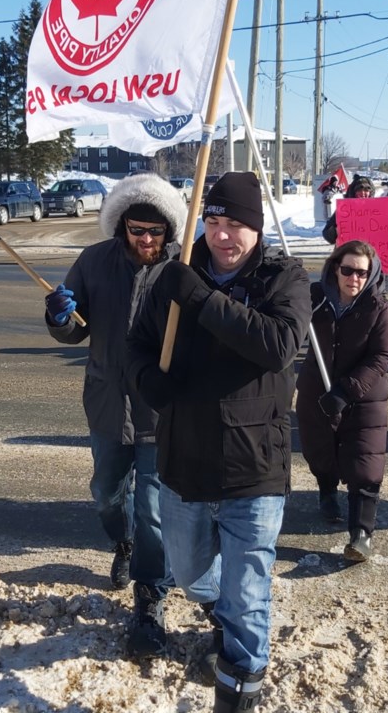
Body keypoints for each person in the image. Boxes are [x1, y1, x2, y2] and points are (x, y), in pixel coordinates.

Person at [126, 170, 311, 712]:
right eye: (213, 221)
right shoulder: (173, 278)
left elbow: (278, 345)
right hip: (184, 461)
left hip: (253, 469)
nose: (223, 235)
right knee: (189, 574)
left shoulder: (284, 277)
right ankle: (223, 611)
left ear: (256, 228)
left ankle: (236, 697)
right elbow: (135, 346)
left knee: (249, 599)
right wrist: (147, 380)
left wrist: (202, 300)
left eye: (236, 224)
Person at [43, 172, 188, 658]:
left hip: (159, 409)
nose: (146, 240)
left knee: (152, 508)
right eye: (136, 230)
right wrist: (60, 317)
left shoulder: (183, 268)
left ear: (169, 232)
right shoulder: (94, 261)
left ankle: (151, 594)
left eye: (156, 231)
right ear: (121, 226)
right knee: (106, 492)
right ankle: (121, 543)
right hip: (107, 400)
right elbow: (72, 331)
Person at [295, 240, 388, 562]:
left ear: (372, 274)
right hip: (317, 391)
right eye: (348, 270)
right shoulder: (315, 300)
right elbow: (291, 323)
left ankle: (361, 534)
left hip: (364, 397)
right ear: (335, 268)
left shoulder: (380, 309)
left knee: (365, 463)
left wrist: (346, 391)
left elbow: (381, 357)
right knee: (319, 448)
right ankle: (326, 492)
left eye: (362, 273)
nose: (354, 278)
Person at [321, 175, 374, 244]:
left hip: (371, 251)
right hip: (349, 251)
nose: (363, 193)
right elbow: (326, 233)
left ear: (371, 192)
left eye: (366, 190)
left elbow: (387, 230)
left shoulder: (377, 210)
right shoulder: (345, 210)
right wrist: (335, 230)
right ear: (353, 192)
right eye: (359, 190)